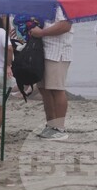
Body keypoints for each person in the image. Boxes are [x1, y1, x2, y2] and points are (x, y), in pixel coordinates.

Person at [30, 9, 73, 140]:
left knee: (56, 89)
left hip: (57, 52)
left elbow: (65, 25)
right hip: (41, 50)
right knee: (44, 90)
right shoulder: (44, 4)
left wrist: (41, 33)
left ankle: (59, 128)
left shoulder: (62, 6)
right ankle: (50, 125)